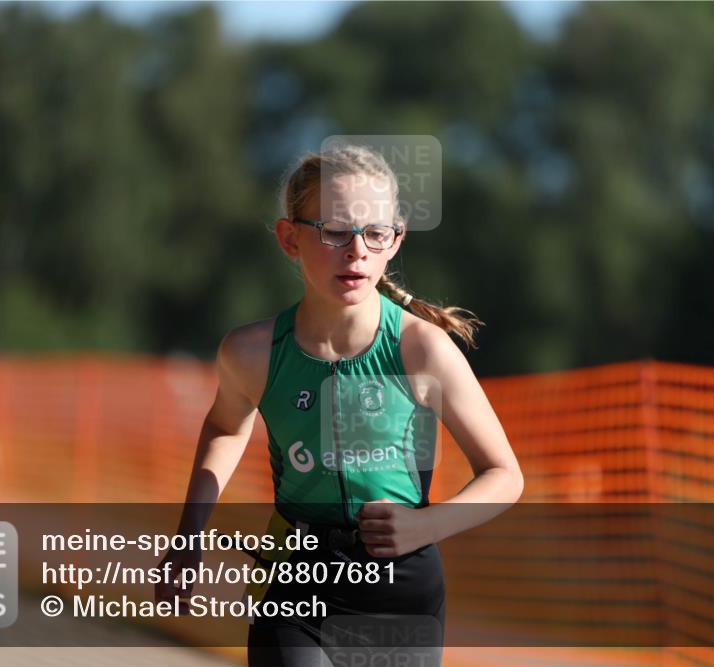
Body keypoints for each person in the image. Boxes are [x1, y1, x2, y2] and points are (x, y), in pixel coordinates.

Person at [155, 144, 524, 666]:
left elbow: (505, 474)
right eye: (334, 231)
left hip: (400, 584)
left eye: (375, 234)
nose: (357, 252)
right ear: (290, 239)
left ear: (394, 240)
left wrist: (425, 526)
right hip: (295, 574)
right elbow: (223, 427)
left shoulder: (421, 349)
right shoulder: (251, 353)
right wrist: (189, 538)